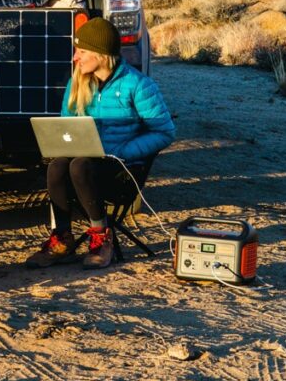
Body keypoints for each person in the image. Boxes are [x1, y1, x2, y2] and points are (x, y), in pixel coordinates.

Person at [26, 17, 176, 270]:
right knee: (58, 165)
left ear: (101, 54)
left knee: (80, 165)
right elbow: (67, 125)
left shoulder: (138, 85)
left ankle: (101, 236)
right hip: (85, 163)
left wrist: (122, 151)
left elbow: (164, 132)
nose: (75, 58)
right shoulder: (78, 82)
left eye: (81, 52)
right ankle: (61, 238)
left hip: (121, 169)